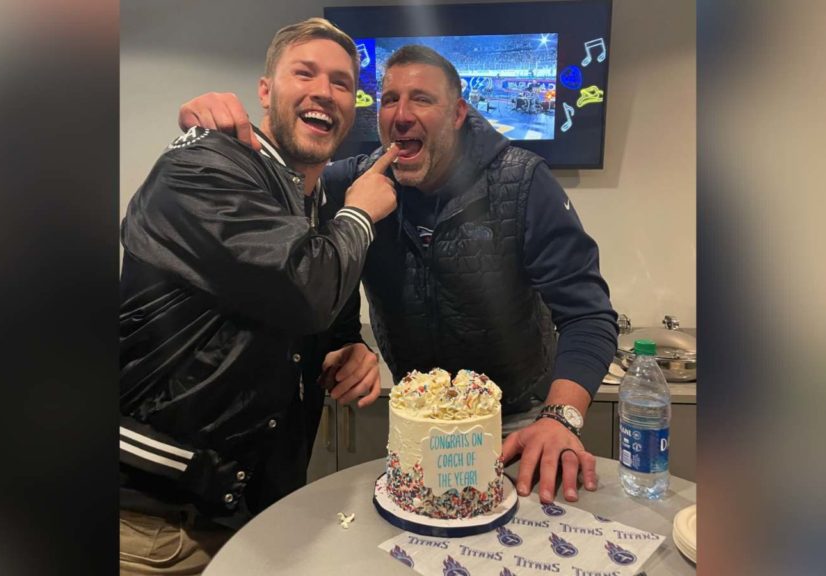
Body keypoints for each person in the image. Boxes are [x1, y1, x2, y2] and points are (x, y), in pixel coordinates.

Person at [177, 44, 618, 509]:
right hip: (418, 421)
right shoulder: (352, 186)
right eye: (389, 100)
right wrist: (214, 132)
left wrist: (560, 419)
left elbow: (588, 316)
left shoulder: (524, 183)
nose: (401, 115)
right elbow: (287, 177)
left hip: (516, 422)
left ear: (458, 113)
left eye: (422, 99)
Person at [118, 18, 399, 575]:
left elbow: (324, 320)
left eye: (342, 83)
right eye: (305, 72)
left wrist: (349, 353)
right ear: (266, 91)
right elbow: (304, 289)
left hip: (245, 518)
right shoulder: (204, 164)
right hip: (152, 527)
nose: (324, 90)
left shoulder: (313, 206)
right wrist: (363, 213)